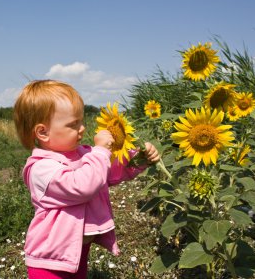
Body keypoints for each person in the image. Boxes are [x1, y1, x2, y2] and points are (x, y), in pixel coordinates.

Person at [13, 80, 160, 279]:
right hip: (49, 262)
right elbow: (83, 186)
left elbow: (109, 171)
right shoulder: (41, 168)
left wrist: (138, 158)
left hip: (76, 252)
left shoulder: (82, 154)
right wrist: (100, 152)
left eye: (81, 121)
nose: (82, 128)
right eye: (73, 124)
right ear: (43, 132)